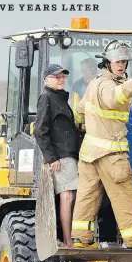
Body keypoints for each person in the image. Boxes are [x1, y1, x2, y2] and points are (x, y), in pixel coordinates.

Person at [71, 40, 132, 249]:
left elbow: (80, 111)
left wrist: (91, 125)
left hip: (90, 153)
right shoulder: (109, 85)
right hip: (111, 153)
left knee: (87, 196)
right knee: (125, 195)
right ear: (107, 63)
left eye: (124, 62)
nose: (122, 65)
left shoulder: (93, 84)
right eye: (118, 61)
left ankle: (81, 239)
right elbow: (114, 98)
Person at [33, 64, 79, 248]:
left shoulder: (60, 98)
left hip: (68, 155)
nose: (61, 79)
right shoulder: (47, 98)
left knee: (71, 197)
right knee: (67, 196)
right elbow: (40, 131)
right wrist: (52, 158)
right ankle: (68, 241)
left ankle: (69, 238)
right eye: (56, 77)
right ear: (46, 80)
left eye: (62, 77)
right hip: (61, 156)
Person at [97, 107, 132, 248]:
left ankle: (107, 238)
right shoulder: (128, 107)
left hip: (117, 159)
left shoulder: (105, 108)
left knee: (110, 199)